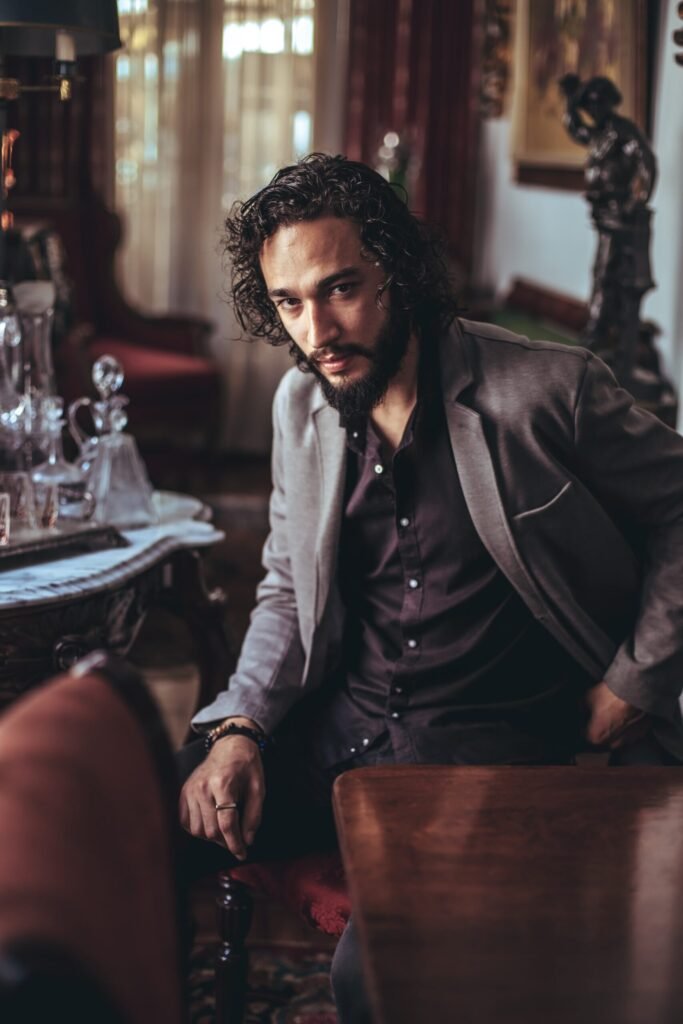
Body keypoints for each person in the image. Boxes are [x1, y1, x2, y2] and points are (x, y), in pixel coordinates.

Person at [179, 153, 683, 1023]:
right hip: (332, 730)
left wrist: (633, 681)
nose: (316, 331)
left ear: (399, 272)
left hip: (483, 758)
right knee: (132, 825)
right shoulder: (298, 407)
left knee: (373, 981)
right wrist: (240, 725)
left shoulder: (545, 391)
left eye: (340, 289)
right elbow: (287, 590)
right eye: (289, 303)